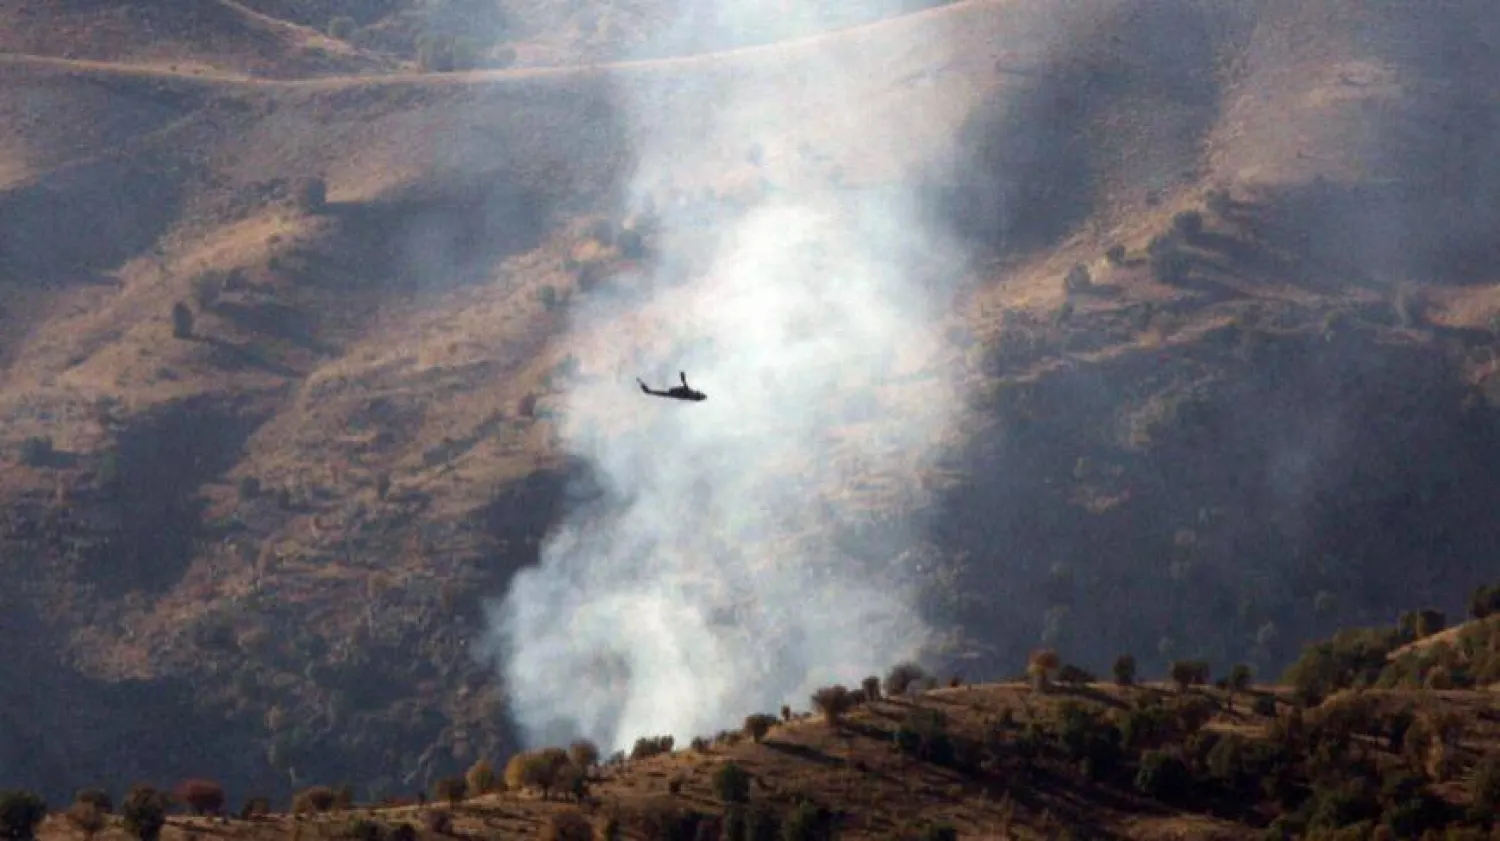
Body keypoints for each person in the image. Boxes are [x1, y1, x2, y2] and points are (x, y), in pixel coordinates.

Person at [637, 371, 707, 401]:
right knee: (653, 392)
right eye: (700, 393)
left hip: (675, 393)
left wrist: (683, 378)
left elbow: (686, 389)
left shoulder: (692, 395)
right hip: (675, 393)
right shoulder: (692, 395)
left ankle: (642, 383)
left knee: (653, 392)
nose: (699, 392)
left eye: (700, 394)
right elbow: (686, 388)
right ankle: (642, 384)